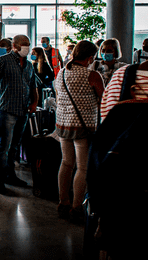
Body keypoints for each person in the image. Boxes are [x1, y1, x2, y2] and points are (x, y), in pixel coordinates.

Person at [0, 34, 38, 194]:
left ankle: (11, 175)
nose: (26, 47)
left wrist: (34, 102)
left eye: (28, 44)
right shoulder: (3, 61)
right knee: (4, 146)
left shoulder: (29, 65)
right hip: (7, 110)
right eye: (23, 44)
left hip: (23, 110)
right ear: (15, 46)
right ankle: (0, 181)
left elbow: (33, 86)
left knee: (15, 146)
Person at [53, 41, 104, 223]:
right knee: (82, 167)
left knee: (66, 163)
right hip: (83, 126)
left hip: (62, 124)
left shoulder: (62, 72)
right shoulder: (92, 75)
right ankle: (76, 207)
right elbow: (103, 99)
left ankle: (62, 203)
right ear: (90, 58)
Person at [101, 2, 148, 121]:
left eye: (109, 50)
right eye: (104, 50)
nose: (106, 53)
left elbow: (110, 132)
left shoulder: (123, 78)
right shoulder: (96, 67)